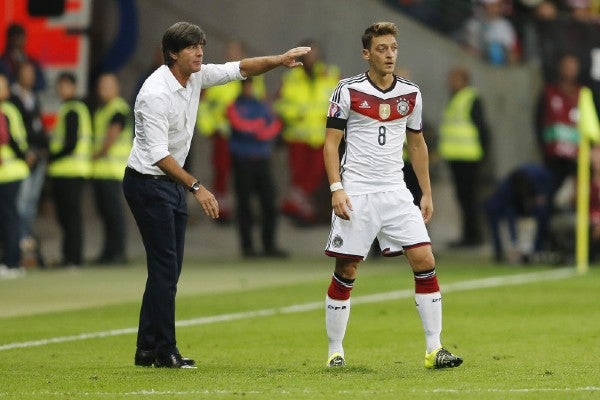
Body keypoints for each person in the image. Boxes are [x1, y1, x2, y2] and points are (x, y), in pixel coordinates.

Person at [123, 21, 310, 369]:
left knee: (167, 271)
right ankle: (165, 350)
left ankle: (147, 348)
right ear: (173, 54)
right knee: (165, 270)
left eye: (201, 45)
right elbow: (158, 156)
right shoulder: (154, 93)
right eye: (192, 47)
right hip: (148, 184)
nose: (200, 52)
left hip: (170, 184)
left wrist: (280, 59)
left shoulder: (194, 76)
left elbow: (240, 69)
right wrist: (197, 186)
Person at [322, 22, 462, 369]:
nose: (389, 54)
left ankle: (435, 349)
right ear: (366, 53)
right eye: (382, 48)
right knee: (348, 268)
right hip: (357, 190)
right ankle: (335, 351)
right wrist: (336, 188)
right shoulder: (347, 91)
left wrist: (426, 192)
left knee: (425, 260)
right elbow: (330, 144)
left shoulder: (411, 94)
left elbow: (417, 143)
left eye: (393, 48)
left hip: (396, 191)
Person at [197, 40, 267, 223]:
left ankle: (247, 210)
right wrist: (209, 128)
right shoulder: (216, 77)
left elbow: (259, 104)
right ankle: (221, 211)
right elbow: (204, 106)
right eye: (230, 50)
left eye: (236, 50)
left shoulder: (253, 76)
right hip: (224, 135)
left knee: (248, 175)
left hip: (247, 137)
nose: (232, 53)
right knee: (222, 173)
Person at [275, 39, 340, 225]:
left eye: (315, 54)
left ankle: (297, 205)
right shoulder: (291, 77)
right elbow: (280, 105)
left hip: (321, 136)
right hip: (298, 135)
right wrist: (296, 114)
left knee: (316, 175)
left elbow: (342, 103)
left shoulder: (331, 75)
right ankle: (300, 208)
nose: (312, 58)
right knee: (299, 175)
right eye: (308, 54)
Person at [226, 77, 286, 258]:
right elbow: (239, 125)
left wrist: (259, 131)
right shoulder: (234, 106)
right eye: (248, 86)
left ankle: (269, 245)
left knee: (269, 202)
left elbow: (274, 126)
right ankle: (248, 247)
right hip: (242, 160)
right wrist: (258, 128)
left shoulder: (261, 105)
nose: (250, 89)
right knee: (244, 205)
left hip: (261, 159)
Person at [438, 66, 490, 247]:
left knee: (469, 198)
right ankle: (468, 235)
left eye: (454, 78)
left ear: (464, 80)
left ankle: (474, 236)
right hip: (457, 157)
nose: (450, 82)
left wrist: (484, 155)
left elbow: (483, 128)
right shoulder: (456, 98)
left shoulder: (470, 98)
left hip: (469, 157)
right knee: (463, 198)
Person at [536, 53, 600, 196]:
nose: (569, 70)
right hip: (554, 157)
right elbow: (539, 122)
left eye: (573, 66)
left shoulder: (584, 94)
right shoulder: (548, 93)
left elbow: (592, 125)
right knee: (551, 192)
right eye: (566, 66)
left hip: (579, 157)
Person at [47, 72, 92, 268]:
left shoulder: (73, 109)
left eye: (65, 85)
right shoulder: (70, 108)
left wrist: (51, 157)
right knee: (67, 217)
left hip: (69, 171)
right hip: (68, 170)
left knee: (70, 217)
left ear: (73, 87)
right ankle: (70, 257)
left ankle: (73, 258)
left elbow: (71, 143)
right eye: (60, 85)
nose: (61, 89)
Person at [91, 73, 132, 265]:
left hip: (112, 169)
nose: (103, 90)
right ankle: (109, 251)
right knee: (106, 213)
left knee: (113, 213)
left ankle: (117, 252)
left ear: (117, 89)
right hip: (101, 170)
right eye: (101, 87)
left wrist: (98, 153)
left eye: (107, 86)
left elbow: (112, 135)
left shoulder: (118, 109)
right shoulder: (103, 110)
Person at [10, 61, 48, 266]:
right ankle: (21, 238)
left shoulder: (34, 97)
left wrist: (43, 148)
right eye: (27, 73)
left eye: (33, 73)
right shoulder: (12, 98)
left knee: (31, 202)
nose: (31, 77)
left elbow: (37, 125)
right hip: (23, 157)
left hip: (38, 155)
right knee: (21, 201)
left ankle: (24, 237)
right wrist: (26, 152)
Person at [485, 163, 554, 264]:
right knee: (503, 224)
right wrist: (514, 243)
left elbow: (543, 198)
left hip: (533, 196)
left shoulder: (538, 177)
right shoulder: (507, 190)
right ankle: (503, 253)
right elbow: (510, 217)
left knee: (540, 213)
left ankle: (536, 249)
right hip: (498, 206)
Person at [0, 73, 29, 279]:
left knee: (8, 218)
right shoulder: (9, 109)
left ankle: (11, 262)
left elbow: (9, 140)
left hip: (9, 172)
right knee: (9, 217)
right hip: (12, 171)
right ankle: (11, 261)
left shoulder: (5, 110)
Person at [458, 0, 519, 65]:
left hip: (493, 69)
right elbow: (462, 44)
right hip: (470, 62)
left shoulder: (505, 27)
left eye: (495, 6)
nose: (492, 9)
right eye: (489, 6)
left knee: (495, 48)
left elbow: (511, 54)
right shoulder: (473, 23)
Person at [0, 23, 46, 92]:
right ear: (9, 39)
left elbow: (42, 84)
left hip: (31, 96)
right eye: (15, 37)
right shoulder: (2, 62)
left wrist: (28, 87)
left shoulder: (32, 62)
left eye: (21, 37)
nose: (18, 41)